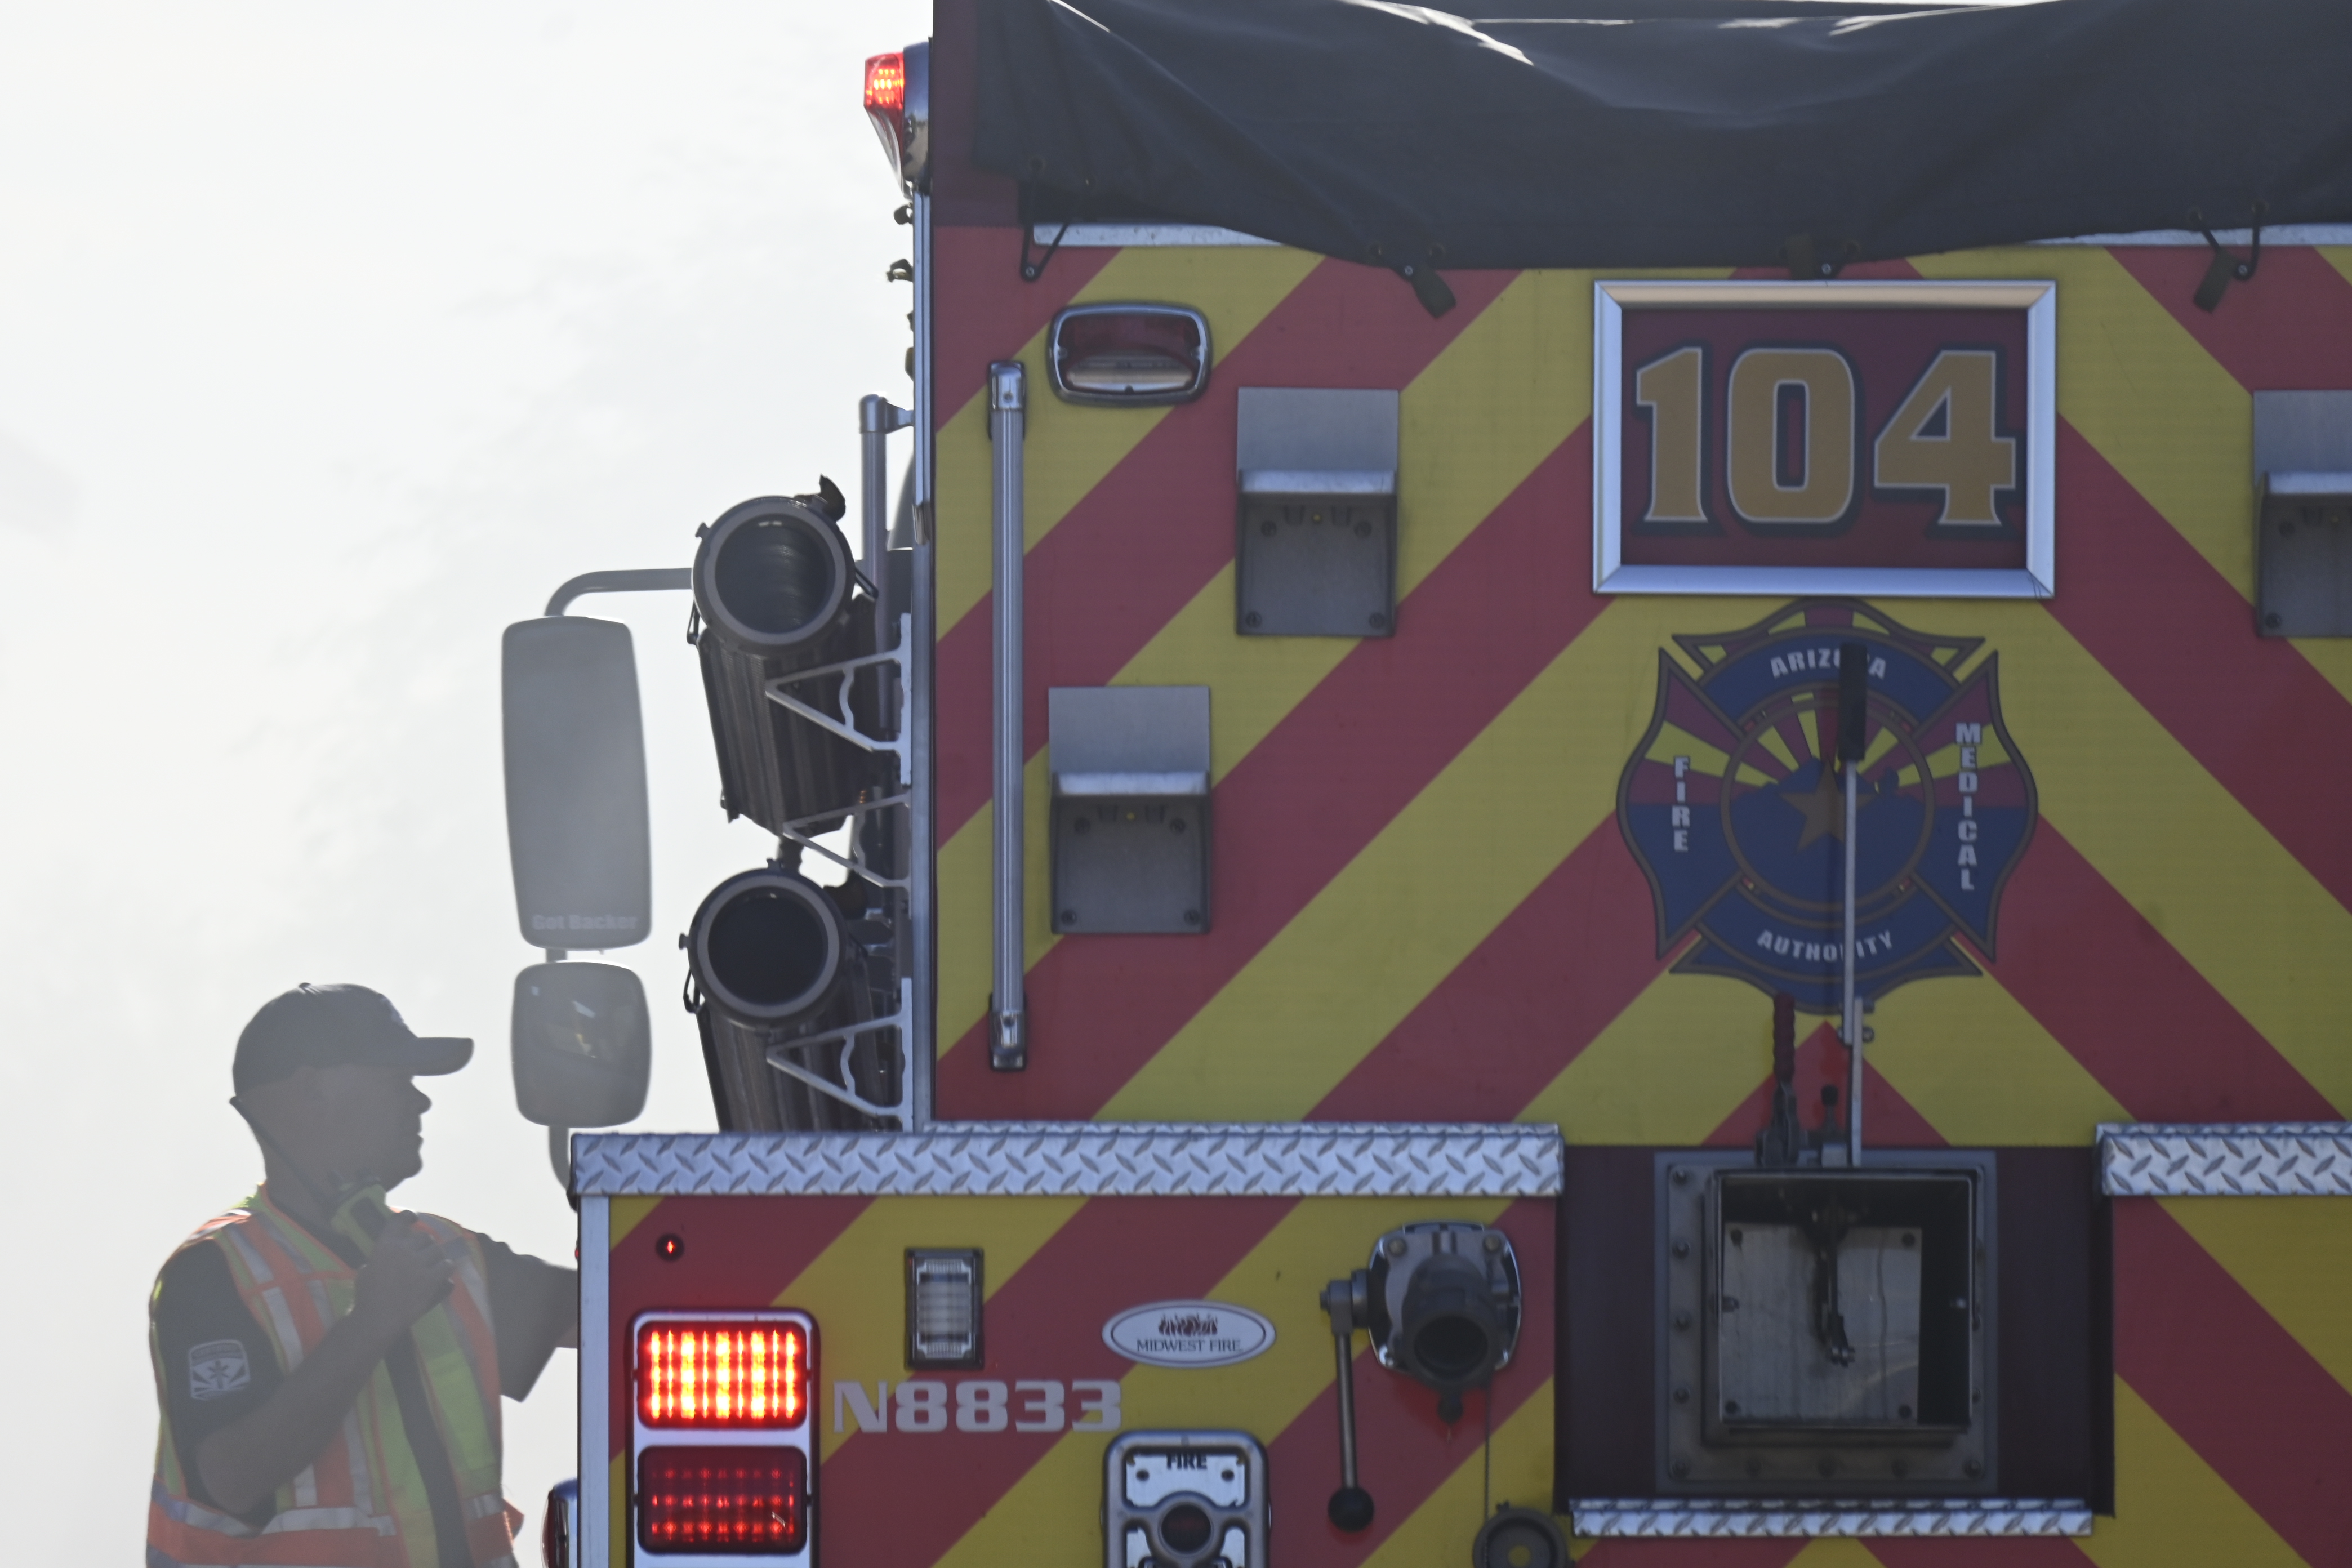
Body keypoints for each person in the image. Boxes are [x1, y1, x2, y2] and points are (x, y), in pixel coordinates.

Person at [147, 984, 577, 1568]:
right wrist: (373, 1322)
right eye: (398, 1078)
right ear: (312, 1089)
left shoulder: (451, 1253)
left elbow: (619, 1312)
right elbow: (233, 1477)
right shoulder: (213, 1272)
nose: (421, 1102)